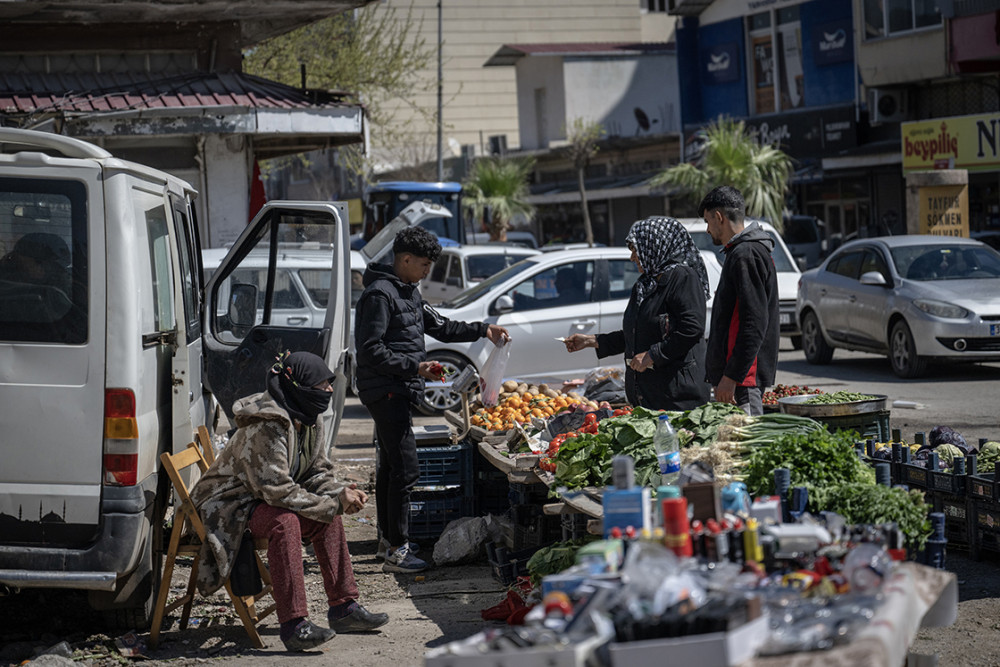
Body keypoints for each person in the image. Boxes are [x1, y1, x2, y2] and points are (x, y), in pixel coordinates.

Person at [190, 351, 388, 652]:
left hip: (262, 497)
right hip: (229, 505)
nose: (330, 390)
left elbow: (317, 471)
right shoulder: (267, 426)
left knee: (327, 516)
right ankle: (295, 625)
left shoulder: (309, 419)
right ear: (300, 387)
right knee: (286, 522)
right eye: (323, 384)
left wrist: (338, 492)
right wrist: (332, 502)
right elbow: (276, 490)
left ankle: (344, 609)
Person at [354, 226, 509, 574]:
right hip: (386, 390)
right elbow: (370, 350)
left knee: (392, 467)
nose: (427, 272)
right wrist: (415, 366)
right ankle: (398, 549)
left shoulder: (408, 292)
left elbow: (440, 326)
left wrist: (483, 329)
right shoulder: (380, 295)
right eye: (423, 265)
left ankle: (388, 541)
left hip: (400, 388)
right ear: (404, 259)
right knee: (406, 470)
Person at [563, 217, 711, 411]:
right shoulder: (645, 284)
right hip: (648, 396)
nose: (633, 257)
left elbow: (691, 329)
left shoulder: (683, 278)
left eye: (635, 250)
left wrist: (653, 355)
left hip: (677, 397)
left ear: (655, 246)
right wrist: (591, 341)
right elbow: (636, 334)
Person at [699, 185, 779, 416]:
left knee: (749, 443)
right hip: (739, 379)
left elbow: (754, 322)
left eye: (707, 221)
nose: (707, 229)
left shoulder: (746, 254)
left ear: (718, 217)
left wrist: (732, 375)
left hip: (743, 380)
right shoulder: (742, 252)